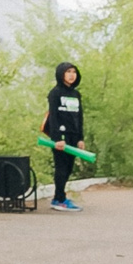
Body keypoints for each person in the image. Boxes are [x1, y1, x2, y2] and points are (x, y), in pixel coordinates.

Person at [42, 61, 87, 212]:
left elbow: (79, 117)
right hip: (61, 137)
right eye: (68, 72)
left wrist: (80, 138)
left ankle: (59, 197)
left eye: (74, 72)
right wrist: (57, 139)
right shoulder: (55, 93)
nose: (71, 75)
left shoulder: (76, 94)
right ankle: (59, 199)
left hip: (74, 136)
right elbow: (54, 117)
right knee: (61, 167)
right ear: (61, 74)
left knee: (68, 168)